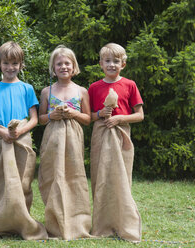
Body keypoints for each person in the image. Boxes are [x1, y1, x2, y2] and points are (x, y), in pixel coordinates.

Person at [0, 41, 48, 242]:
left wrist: (19, 131)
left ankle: (20, 223)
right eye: (6, 63)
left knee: (22, 182)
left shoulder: (27, 89)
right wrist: (2, 133)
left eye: (15, 63)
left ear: (21, 65)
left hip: (22, 139)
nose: (10, 67)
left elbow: (34, 118)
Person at [88, 43, 144, 242]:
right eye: (108, 61)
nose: (112, 65)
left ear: (123, 64)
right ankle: (102, 223)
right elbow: (88, 117)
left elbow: (140, 115)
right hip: (101, 133)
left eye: (116, 61)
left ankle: (123, 222)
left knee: (121, 177)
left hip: (121, 134)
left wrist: (120, 119)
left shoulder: (129, 85)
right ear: (101, 63)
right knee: (101, 177)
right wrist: (100, 114)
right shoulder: (94, 87)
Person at [38, 45, 92, 240]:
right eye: (59, 63)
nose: (63, 67)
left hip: (74, 139)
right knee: (53, 177)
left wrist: (75, 113)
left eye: (67, 63)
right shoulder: (47, 91)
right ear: (53, 67)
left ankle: (78, 222)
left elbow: (87, 119)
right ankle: (55, 223)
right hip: (53, 138)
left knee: (73, 177)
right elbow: (40, 119)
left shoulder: (81, 91)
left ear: (74, 66)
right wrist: (52, 115)